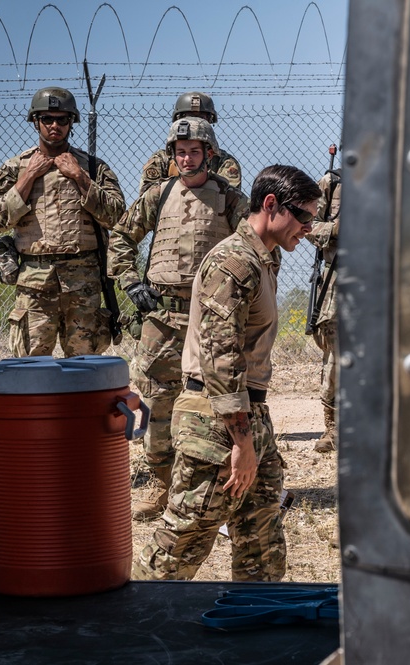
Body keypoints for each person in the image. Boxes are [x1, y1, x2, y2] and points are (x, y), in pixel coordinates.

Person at [132, 164, 321, 581]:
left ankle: (259, 617)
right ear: (271, 205)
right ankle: (128, 625)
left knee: (261, 535)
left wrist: (253, 435)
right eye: (303, 216)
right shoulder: (234, 262)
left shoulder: (264, 259)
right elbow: (221, 358)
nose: (308, 227)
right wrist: (241, 441)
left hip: (248, 415)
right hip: (215, 423)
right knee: (184, 539)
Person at [108, 117, 250, 521]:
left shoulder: (229, 198)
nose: (186, 159)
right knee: (155, 399)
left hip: (209, 315)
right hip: (161, 316)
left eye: (194, 152)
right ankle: (159, 484)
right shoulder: (158, 194)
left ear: (209, 154)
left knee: (217, 399)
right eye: (180, 152)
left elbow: (256, 245)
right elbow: (121, 237)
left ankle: (215, 485)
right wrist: (131, 280)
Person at [0, 86, 126, 357]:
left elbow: (118, 216)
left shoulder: (94, 168)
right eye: (47, 119)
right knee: (31, 367)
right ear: (35, 121)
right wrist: (27, 178)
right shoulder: (14, 168)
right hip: (34, 284)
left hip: (83, 282)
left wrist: (80, 177)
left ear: (72, 122)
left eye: (62, 119)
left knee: (85, 367)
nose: (54, 125)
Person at [137, 91, 242, 195]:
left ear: (209, 122)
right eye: (189, 117)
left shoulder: (224, 162)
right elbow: (147, 199)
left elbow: (229, 198)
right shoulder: (161, 160)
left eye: (201, 119)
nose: (194, 123)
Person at [307, 169, 342, 452]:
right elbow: (308, 226)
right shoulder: (332, 182)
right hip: (338, 282)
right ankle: (334, 430)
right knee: (335, 358)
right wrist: (336, 229)